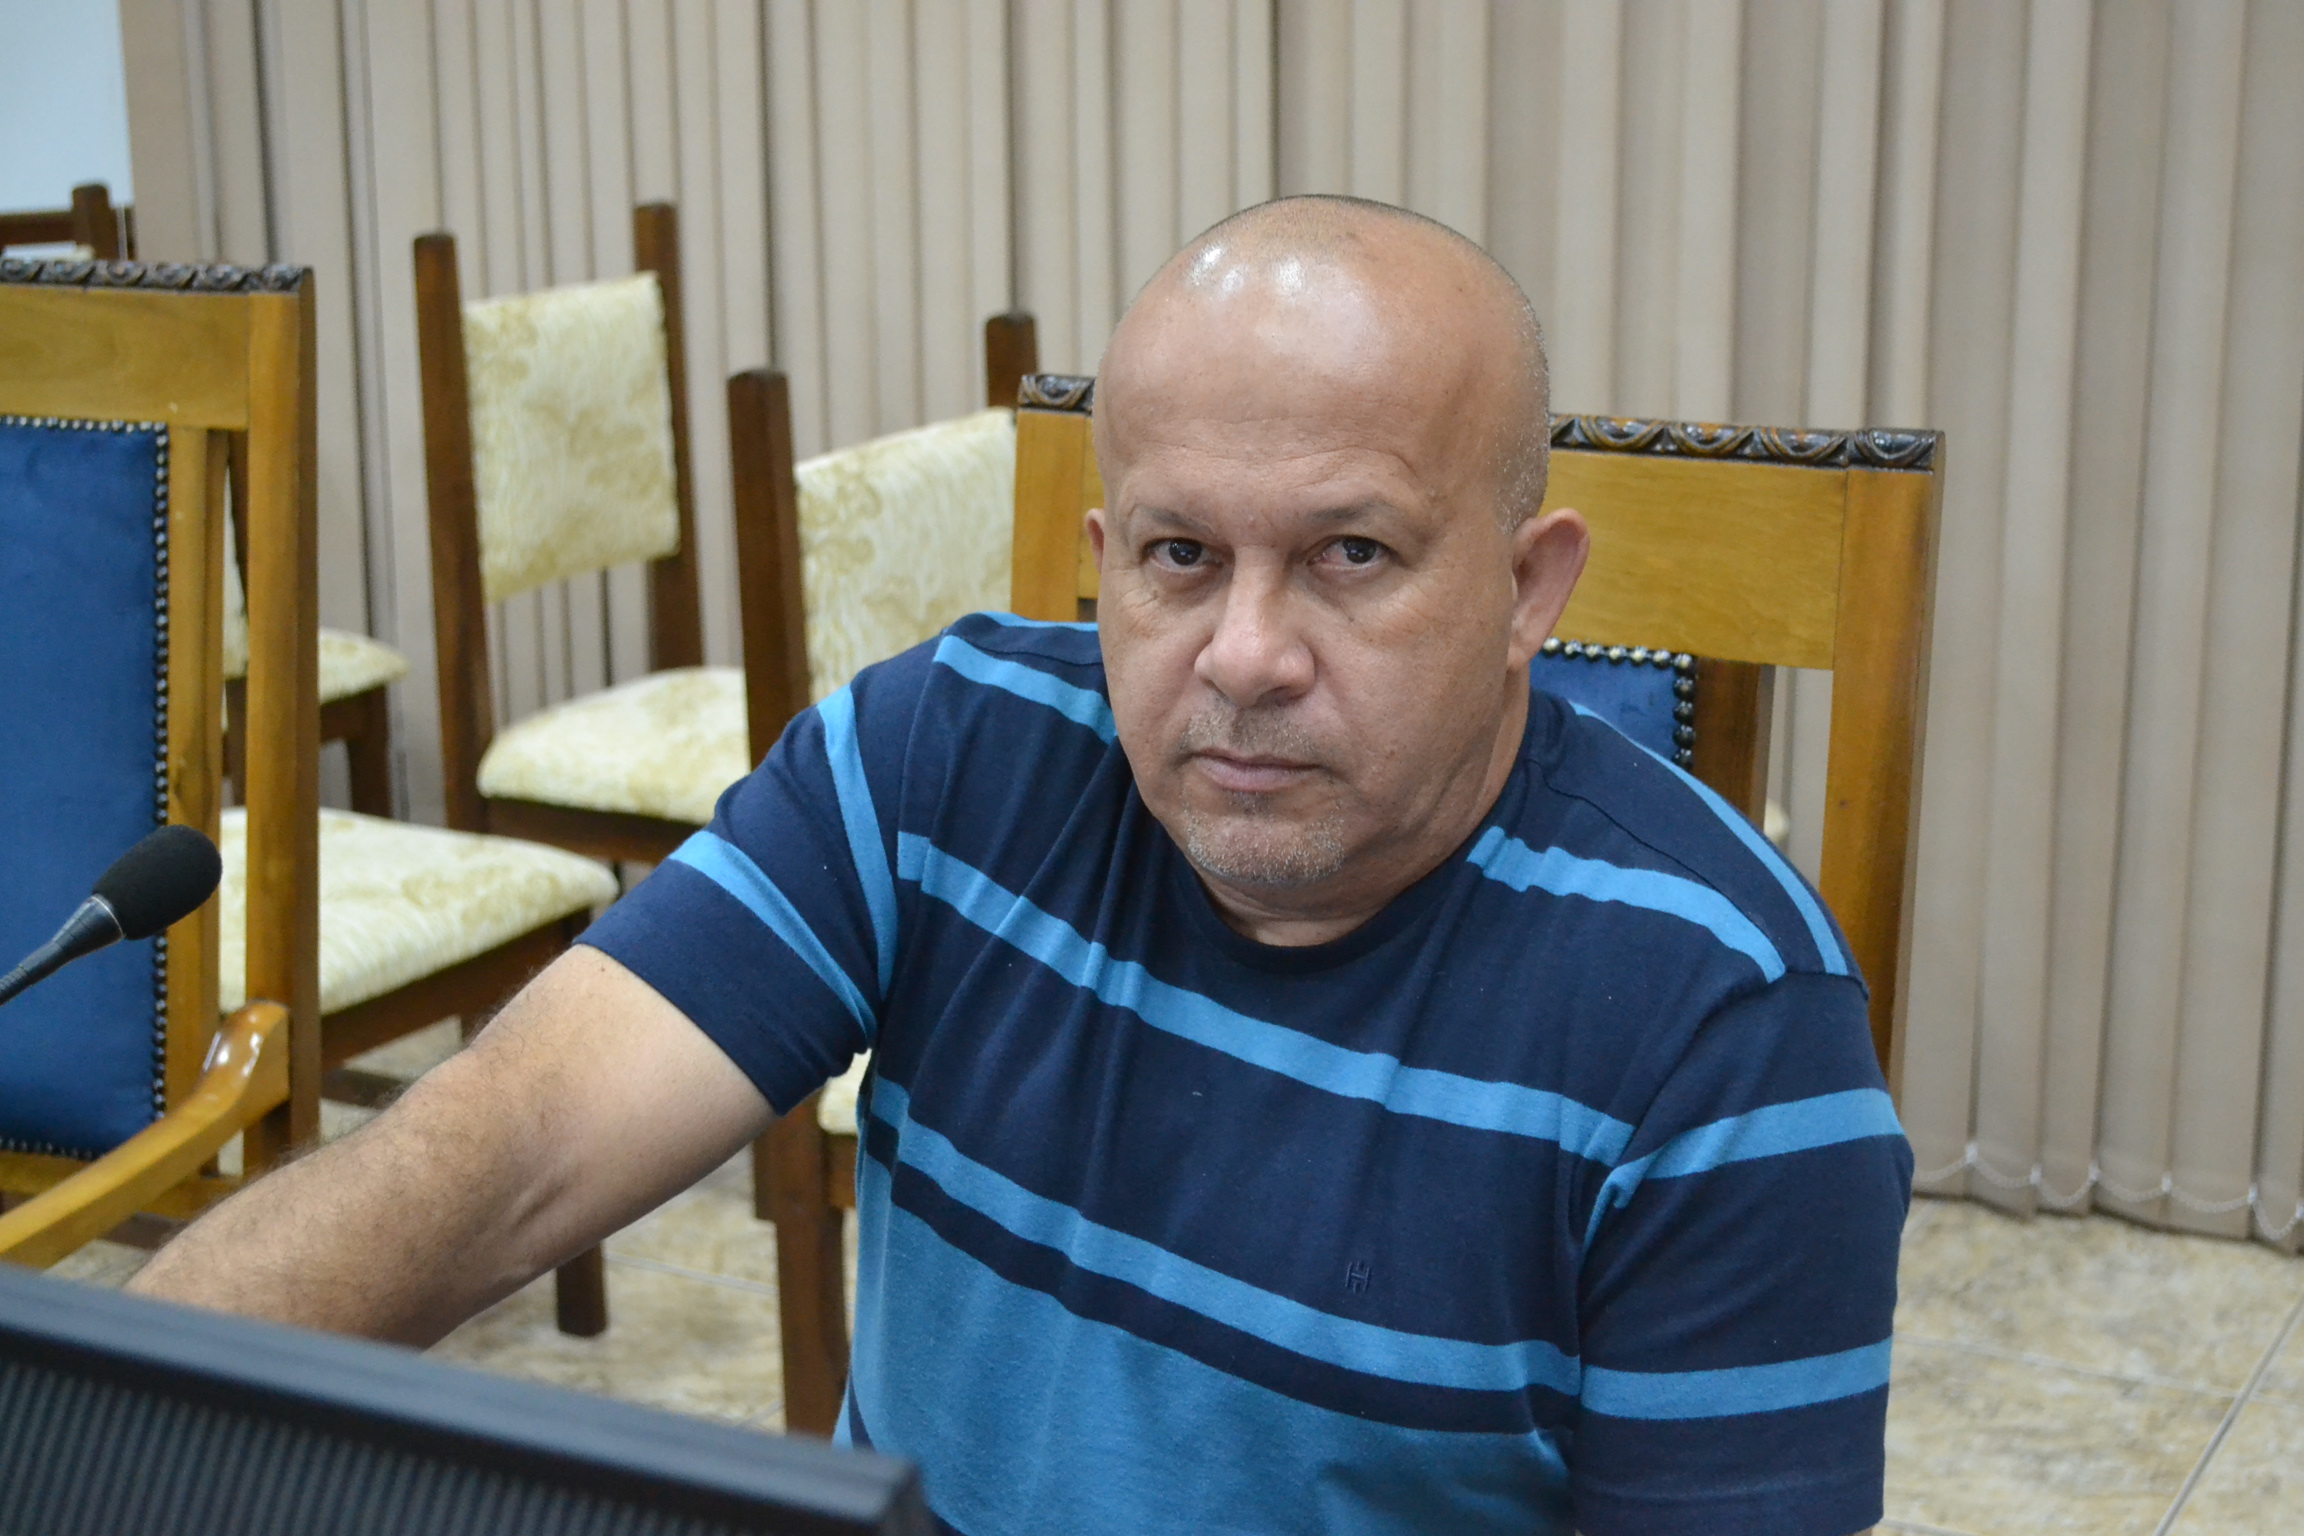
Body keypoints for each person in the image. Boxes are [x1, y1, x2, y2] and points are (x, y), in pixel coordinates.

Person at [133, 195, 1908, 1536]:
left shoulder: (1731, 1034)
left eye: (1352, 555)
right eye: (1180, 556)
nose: (1245, 655)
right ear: (1102, 559)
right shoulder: (942, 755)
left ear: (1527, 591)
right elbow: (504, 1155)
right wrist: (96, 1417)